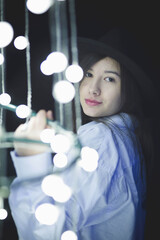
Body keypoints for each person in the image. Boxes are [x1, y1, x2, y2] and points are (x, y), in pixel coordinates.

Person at [8, 28, 159, 240]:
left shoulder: (101, 137)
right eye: (89, 74)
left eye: (109, 79)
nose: (93, 89)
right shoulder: (127, 137)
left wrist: (30, 158)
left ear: (129, 90)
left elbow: (50, 233)